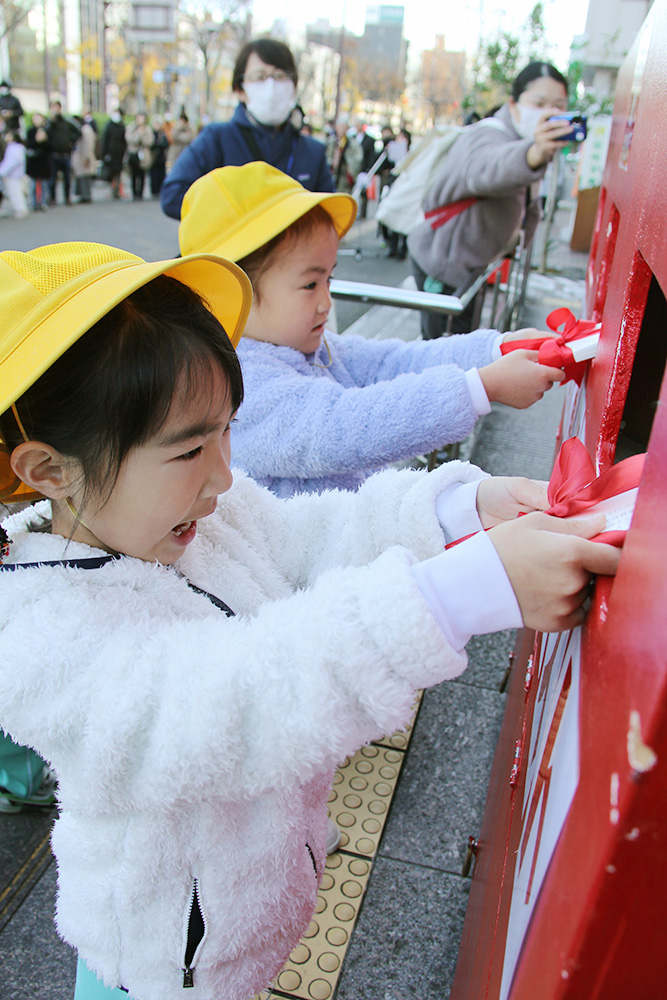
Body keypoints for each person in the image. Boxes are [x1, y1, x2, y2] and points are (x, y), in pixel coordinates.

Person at [0, 240, 618, 1000]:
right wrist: (457, 594)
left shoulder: (191, 516)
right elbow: (230, 701)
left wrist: (458, 511)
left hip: (241, 915)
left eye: (227, 430)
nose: (226, 476)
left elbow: (313, 537)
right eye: (191, 448)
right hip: (165, 969)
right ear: (48, 471)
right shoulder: (36, 631)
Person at [178, 162, 566, 498]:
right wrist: (480, 388)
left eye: (329, 279)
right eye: (310, 285)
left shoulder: (309, 347)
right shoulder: (235, 387)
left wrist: (493, 350)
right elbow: (341, 426)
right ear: (236, 292)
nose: (326, 301)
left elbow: (390, 362)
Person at [408, 61, 573, 338]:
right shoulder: (490, 134)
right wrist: (533, 153)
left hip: (472, 265)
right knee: (438, 346)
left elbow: (531, 208)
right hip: (441, 260)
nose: (550, 113)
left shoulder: (525, 142)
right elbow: (487, 170)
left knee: (461, 341)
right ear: (513, 104)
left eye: (559, 105)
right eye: (540, 102)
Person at [160, 37, 334, 219]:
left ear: (293, 85)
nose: (271, 86)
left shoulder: (313, 152)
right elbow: (173, 196)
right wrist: (237, 213)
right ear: (239, 89)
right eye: (260, 77)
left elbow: (329, 216)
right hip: (231, 247)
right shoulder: (216, 139)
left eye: (280, 76)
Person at [46, 100, 81, 206]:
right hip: (54, 154)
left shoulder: (67, 122)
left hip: (65, 154)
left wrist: (71, 142)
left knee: (67, 179)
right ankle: (52, 197)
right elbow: (46, 134)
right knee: (52, 179)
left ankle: (67, 197)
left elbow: (78, 132)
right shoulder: (50, 123)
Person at [25, 111, 52, 210]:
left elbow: (51, 146)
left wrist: (44, 140)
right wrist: (36, 140)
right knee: (32, 185)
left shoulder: (47, 131)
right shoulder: (30, 131)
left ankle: (43, 202)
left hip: (43, 161)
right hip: (33, 161)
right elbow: (28, 144)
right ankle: (33, 203)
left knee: (44, 185)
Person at [125, 112, 154, 200]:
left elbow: (150, 141)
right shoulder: (131, 128)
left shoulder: (147, 129)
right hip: (134, 153)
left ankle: (140, 193)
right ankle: (134, 193)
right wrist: (139, 133)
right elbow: (130, 139)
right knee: (133, 174)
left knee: (142, 174)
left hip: (143, 154)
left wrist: (143, 135)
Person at [0, 130, 29, 218]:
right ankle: (21, 208)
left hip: (13, 174)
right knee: (16, 192)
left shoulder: (13, 148)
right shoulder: (16, 148)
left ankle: (21, 209)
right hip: (15, 174)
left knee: (15, 192)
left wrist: (2, 171)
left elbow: (11, 162)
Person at [100, 108, 127, 199]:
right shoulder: (109, 126)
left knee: (118, 173)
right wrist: (104, 154)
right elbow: (105, 140)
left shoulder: (122, 126)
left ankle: (117, 191)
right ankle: (113, 189)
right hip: (110, 153)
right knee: (111, 172)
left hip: (119, 154)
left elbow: (124, 141)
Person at [71, 114, 97, 203]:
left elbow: (88, 145)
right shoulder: (82, 129)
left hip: (84, 156)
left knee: (85, 177)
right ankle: (83, 195)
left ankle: (86, 196)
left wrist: (87, 157)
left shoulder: (86, 130)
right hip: (81, 156)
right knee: (82, 177)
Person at [149, 114, 169, 197]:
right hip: (153, 157)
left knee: (161, 175)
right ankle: (154, 191)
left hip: (161, 157)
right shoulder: (151, 133)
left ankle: (160, 190)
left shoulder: (163, 134)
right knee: (154, 175)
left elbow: (166, 143)